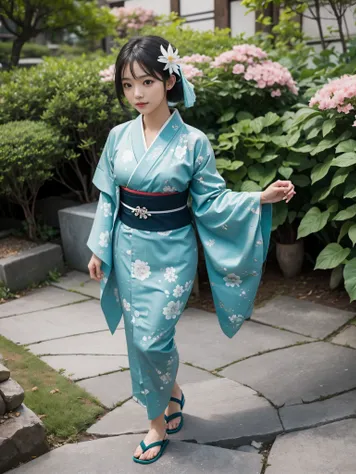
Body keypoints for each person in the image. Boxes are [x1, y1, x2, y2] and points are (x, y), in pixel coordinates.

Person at [87, 35, 295, 465]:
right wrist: (99, 249)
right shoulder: (118, 138)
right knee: (139, 338)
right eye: (127, 85)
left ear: (169, 78)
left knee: (154, 337)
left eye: (146, 82)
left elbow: (212, 201)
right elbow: (109, 197)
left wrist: (259, 198)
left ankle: (157, 416)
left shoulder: (193, 141)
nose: (137, 94)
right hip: (127, 247)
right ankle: (164, 408)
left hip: (172, 251)